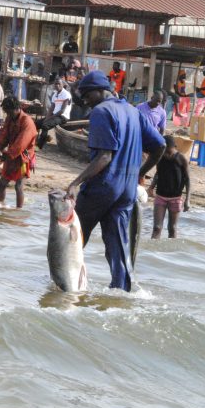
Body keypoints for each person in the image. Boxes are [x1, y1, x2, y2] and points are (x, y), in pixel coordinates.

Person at [65, 70, 165, 292]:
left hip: (104, 185)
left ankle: (65, 287)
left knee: (74, 238)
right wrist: (139, 173)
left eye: (88, 96)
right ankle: (120, 292)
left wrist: (76, 182)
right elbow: (160, 146)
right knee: (118, 245)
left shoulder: (101, 112)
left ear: (101, 91)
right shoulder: (133, 111)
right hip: (127, 190)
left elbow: (105, 156)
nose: (87, 103)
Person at [0, 96, 37, 208]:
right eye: (6, 113)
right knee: (2, 183)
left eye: (9, 112)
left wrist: (3, 157)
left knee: (18, 186)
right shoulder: (10, 118)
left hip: (24, 157)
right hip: (11, 155)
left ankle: (18, 211)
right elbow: (4, 134)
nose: (8, 115)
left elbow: (21, 144)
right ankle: (0, 206)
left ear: (17, 108)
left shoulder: (27, 122)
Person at [148, 135, 191, 239]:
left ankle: (172, 254)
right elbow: (158, 174)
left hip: (176, 198)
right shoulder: (160, 157)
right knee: (157, 227)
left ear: (174, 147)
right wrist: (151, 187)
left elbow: (188, 179)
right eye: (165, 152)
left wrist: (187, 200)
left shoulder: (181, 158)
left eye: (169, 152)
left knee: (172, 228)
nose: (167, 155)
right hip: (160, 197)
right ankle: (153, 251)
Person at [36, 79, 72, 149]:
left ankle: (39, 146)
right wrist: (47, 118)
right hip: (55, 115)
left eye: (59, 84)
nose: (57, 85)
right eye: (55, 84)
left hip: (62, 117)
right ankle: (44, 138)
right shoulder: (55, 94)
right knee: (36, 124)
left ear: (63, 85)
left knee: (45, 125)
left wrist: (51, 117)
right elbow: (51, 108)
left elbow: (62, 110)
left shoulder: (66, 94)